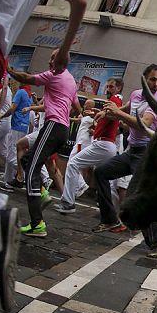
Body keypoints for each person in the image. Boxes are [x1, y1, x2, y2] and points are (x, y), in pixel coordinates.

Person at [0, 0, 86, 312]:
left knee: (31, 164)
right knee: (30, 157)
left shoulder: (53, 75)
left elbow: (32, 81)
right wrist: (66, 49)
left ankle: (27, 218)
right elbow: (81, 0)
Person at [92, 64, 157, 258]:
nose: (156, 84)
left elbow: (145, 125)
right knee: (100, 172)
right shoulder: (136, 94)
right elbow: (126, 108)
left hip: (145, 154)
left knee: (140, 196)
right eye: (153, 79)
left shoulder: (156, 100)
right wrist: (107, 112)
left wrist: (118, 115)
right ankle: (110, 219)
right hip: (131, 151)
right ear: (144, 78)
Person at [7, 49, 83, 238]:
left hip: (53, 126)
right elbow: (77, 107)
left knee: (32, 168)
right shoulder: (71, 81)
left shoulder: (54, 75)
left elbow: (26, 77)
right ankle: (41, 192)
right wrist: (65, 112)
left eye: (52, 59)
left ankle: (37, 224)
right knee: (27, 158)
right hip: (61, 130)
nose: (49, 62)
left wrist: (7, 68)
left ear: (60, 63)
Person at [55, 78, 124, 214]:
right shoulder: (114, 102)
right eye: (107, 87)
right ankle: (112, 212)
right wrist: (98, 113)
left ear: (119, 88)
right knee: (104, 177)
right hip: (106, 145)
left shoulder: (115, 100)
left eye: (111, 87)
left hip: (103, 144)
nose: (108, 90)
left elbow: (112, 112)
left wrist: (101, 113)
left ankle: (68, 202)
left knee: (73, 163)